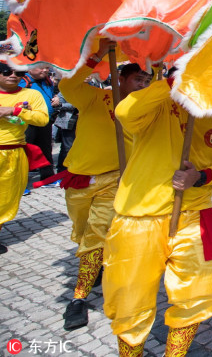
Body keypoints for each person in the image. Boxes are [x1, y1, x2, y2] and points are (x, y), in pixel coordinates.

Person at [104, 77, 212, 357]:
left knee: (197, 292)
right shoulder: (157, 106)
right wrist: (173, 82)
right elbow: (125, 113)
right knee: (129, 297)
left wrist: (201, 176)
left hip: (195, 215)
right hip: (139, 215)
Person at [57, 42, 151, 330]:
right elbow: (67, 86)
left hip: (114, 181)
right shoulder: (96, 98)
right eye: (138, 79)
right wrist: (96, 55)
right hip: (79, 179)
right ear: (120, 78)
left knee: (96, 236)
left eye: (147, 81)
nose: (143, 85)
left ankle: (78, 298)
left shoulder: (146, 108)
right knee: (82, 232)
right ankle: (93, 263)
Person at [0, 62, 49, 255]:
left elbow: (43, 119)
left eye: (18, 72)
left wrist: (15, 110)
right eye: (6, 71)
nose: (13, 75)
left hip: (16, 152)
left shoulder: (31, 94)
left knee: (8, 197)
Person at [21, 64, 59, 182]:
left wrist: (56, 97)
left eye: (47, 68)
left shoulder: (47, 81)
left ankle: (48, 178)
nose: (45, 70)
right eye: (41, 67)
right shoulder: (23, 81)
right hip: (28, 122)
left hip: (44, 120)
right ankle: (21, 181)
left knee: (46, 149)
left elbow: (52, 94)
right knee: (25, 151)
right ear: (29, 68)